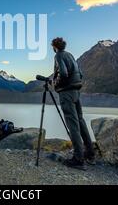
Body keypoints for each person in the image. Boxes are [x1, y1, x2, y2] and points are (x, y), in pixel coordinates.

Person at [51, 37, 95, 170]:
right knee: (80, 121)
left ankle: (78, 158)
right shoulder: (70, 55)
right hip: (76, 92)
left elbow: (63, 73)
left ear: (54, 47)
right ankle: (90, 153)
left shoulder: (58, 55)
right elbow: (79, 73)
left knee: (73, 124)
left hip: (66, 94)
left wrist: (55, 84)